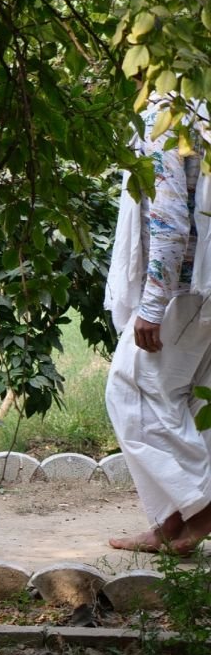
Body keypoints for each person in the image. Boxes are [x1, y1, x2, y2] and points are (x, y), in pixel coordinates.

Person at [103, 92, 211, 554]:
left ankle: (200, 511)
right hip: (202, 283)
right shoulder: (202, 109)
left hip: (185, 290)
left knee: (130, 390)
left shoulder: (168, 115)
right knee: (188, 400)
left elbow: (168, 214)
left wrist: (152, 302)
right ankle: (170, 525)